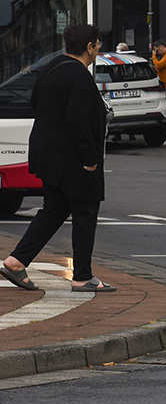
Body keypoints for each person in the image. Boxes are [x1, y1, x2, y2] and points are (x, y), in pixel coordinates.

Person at [0, 23, 116, 293]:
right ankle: (82, 276)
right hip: (72, 158)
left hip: (48, 154)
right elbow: (79, 120)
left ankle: (16, 261)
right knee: (86, 211)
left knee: (54, 209)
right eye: (97, 44)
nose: (99, 49)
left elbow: (36, 103)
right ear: (89, 47)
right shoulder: (80, 77)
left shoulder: (50, 69)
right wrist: (90, 158)